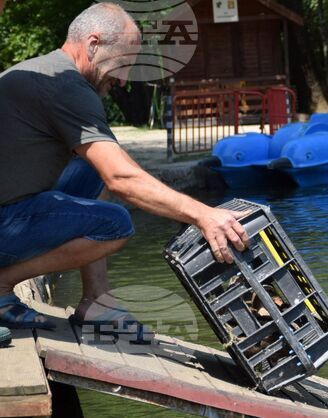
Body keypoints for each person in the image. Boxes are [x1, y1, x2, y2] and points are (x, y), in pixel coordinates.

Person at [0, 3, 248, 331]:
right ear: (93, 44)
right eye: (123, 63)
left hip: (10, 210)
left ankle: (95, 301)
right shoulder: (67, 87)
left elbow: (114, 161)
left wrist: (188, 205)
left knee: (91, 170)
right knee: (115, 225)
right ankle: (2, 287)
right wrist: (203, 215)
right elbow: (120, 178)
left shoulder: (48, 70)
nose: (124, 79)